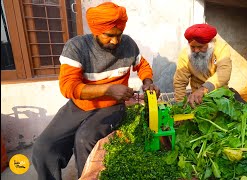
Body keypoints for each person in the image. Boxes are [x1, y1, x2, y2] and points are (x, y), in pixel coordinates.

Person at [31, 2, 160, 179]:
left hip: (112, 106)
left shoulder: (128, 44)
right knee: (43, 148)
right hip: (79, 106)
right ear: (95, 31)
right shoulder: (76, 48)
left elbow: (142, 65)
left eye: (119, 35)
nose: (115, 41)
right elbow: (69, 87)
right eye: (109, 36)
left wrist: (148, 82)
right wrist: (108, 89)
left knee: (84, 140)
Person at [173, 23, 244, 108]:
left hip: (221, 94)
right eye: (192, 47)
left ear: (210, 43)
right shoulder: (185, 54)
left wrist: (204, 89)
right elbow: (180, 82)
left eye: (200, 47)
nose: (196, 51)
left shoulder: (221, 48)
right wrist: (181, 106)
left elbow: (224, 72)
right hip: (198, 99)